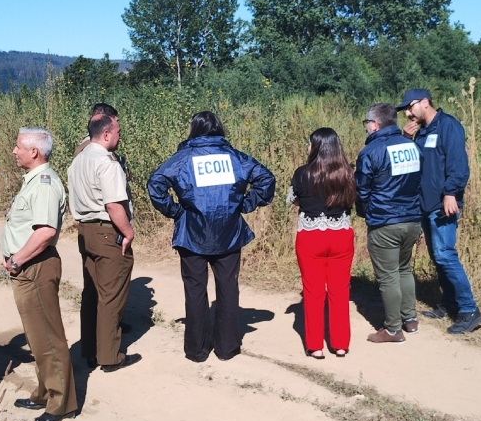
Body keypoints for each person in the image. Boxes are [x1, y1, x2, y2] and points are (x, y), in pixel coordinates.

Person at [147, 111, 276, 362]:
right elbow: (266, 178)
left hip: (192, 234)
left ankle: (197, 351)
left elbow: (156, 184)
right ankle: (227, 348)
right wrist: (245, 204)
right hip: (228, 233)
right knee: (228, 288)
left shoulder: (183, 158)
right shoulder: (234, 158)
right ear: (219, 129)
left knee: (195, 291)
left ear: (194, 130)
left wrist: (175, 211)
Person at [0, 127, 78, 421]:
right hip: (27, 267)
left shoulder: (44, 184)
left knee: (47, 336)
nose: (14, 151)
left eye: (18, 146)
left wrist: (17, 259)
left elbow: (45, 232)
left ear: (34, 152)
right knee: (36, 337)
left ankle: (61, 403)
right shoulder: (33, 181)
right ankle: (45, 392)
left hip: (35, 267)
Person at [399, 88, 481, 334]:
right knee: (438, 256)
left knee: (445, 254)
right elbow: (415, 165)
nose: (407, 113)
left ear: (425, 102)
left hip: (443, 203)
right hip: (425, 203)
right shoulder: (422, 131)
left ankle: (469, 310)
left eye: (410, 107)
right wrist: (407, 140)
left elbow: (458, 164)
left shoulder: (448, 126)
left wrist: (450, 193)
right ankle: (449, 303)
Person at [66, 113, 142, 372]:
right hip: (108, 233)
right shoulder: (107, 163)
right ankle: (110, 356)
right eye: (118, 131)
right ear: (106, 134)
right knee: (111, 296)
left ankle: (91, 349)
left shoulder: (78, 160)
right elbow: (113, 205)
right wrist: (128, 232)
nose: (120, 135)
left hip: (85, 231)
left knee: (91, 292)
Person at [356, 103, 423, 343]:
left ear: (375, 124)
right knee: (404, 269)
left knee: (388, 276)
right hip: (412, 219)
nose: (366, 127)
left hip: (385, 222)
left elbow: (361, 190)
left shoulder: (371, 151)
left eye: (366, 123)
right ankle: (410, 319)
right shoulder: (412, 146)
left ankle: (393, 329)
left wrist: (365, 213)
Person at [289, 128, 356, 358]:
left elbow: (293, 199)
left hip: (311, 235)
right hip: (341, 234)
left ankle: (315, 345)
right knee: (340, 290)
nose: (308, 147)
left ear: (316, 147)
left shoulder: (302, 173)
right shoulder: (347, 173)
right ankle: (340, 343)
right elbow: (353, 199)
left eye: (310, 144)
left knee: (313, 291)